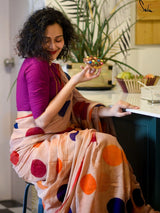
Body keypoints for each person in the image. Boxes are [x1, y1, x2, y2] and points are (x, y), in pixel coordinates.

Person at [9, 7, 158, 213]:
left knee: (102, 145)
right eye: (46, 40)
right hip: (34, 147)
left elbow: (77, 106)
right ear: (35, 39)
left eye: (59, 39)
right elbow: (42, 121)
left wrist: (111, 111)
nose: (53, 46)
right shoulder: (36, 66)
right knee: (102, 144)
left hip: (53, 140)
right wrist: (76, 80)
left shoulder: (53, 68)